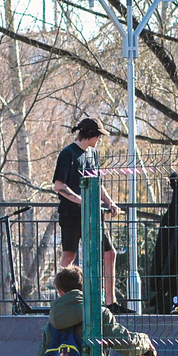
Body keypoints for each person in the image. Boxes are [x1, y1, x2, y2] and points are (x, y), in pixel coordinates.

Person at [50, 117, 119, 297]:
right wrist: (81, 200)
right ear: (90, 134)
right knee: (69, 256)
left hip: (93, 215)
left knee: (109, 253)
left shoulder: (93, 154)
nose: (100, 140)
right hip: (72, 214)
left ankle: (111, 302)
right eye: (98, 136)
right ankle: (63, 299)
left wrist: (109, 202)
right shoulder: (68, 154)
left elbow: (98, 183)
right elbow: (59, 186)